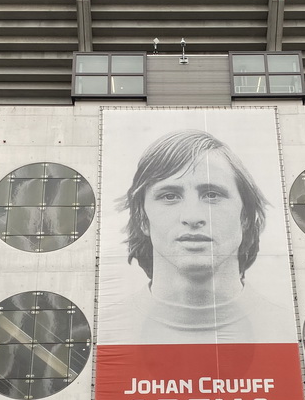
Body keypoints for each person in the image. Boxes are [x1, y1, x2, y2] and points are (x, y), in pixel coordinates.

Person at [109, 129, 291, 344]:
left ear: (245, 217)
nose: (192, 217)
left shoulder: (288, 330)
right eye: (169, 196)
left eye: (212, 195)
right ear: (142, 218)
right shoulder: (109, 330)